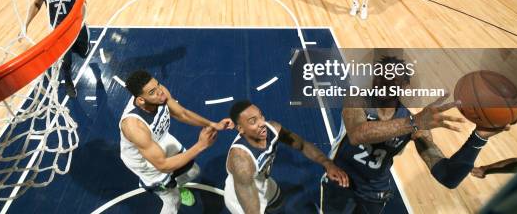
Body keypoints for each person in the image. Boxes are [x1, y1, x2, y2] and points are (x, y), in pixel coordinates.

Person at [321, 56, 510, 214]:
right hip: (339, 181)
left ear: (404, 85)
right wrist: (413, 123)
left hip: (373, 194)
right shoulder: (356, 100)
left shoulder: (415, 123)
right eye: (380, 75)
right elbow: (357, 134)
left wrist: (479, 138)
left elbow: (448, 177)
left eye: (393, 78)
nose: (385, 82)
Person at [120, 70, 233, 214]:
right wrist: (201, 145)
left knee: (193, 171)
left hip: (160, 140)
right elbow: (163, 165)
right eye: (153, 92)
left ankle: (172, 185)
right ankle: (170, 189)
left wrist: (213, 124)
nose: (160, 92)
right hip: (144, 161)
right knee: (173, 201)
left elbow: (182, 113)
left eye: (158, 85)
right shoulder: (134, 126)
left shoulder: (160, 94)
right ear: (141, 100)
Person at [224, 100, 348, 214]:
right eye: (253, 121)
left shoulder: (273, 129)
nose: (262, 123)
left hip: (262, 182)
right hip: (242, 200)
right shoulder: (241, 162)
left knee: (278, 203)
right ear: (241, 129)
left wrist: (328, 164)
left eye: (261, 115)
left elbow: (302, 145)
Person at [24, 0, 88, 97]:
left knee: (84, 53)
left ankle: (79, 47)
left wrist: (80, 19)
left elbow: (83, 4)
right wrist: (25, 24)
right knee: (66, 62)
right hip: (59, 31)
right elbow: (36, 5)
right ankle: (68, 82)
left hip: (76, 27)